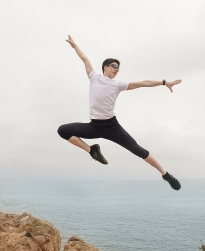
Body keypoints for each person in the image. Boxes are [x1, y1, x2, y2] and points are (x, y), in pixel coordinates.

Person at [58, 35, 182, 190]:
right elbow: (85, 59)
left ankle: (165, 174)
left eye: (118, 68)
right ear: (106, 67)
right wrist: (75, 46)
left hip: (112, 126)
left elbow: (144, 83)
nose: (116, 69)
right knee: (63, 131)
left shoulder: (118, 84)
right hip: (94, 126)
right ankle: (93, 151)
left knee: (137, 149)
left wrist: (164, 83)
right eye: (114, 66)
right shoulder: (94, 77)